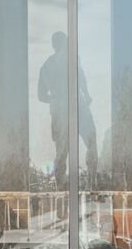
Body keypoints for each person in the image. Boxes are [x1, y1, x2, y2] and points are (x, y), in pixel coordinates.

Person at [37, 31, 98, 188]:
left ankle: (60, 188)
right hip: (77, 104)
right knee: (91, 140)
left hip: (58, 109)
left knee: (61, 151)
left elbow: (41, 96)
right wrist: (87, 95)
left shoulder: (45, 67)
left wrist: (54, 99)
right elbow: (80, 76)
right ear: (64, 43)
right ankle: (92, 183)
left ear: (53, 45)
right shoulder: (71, 58)